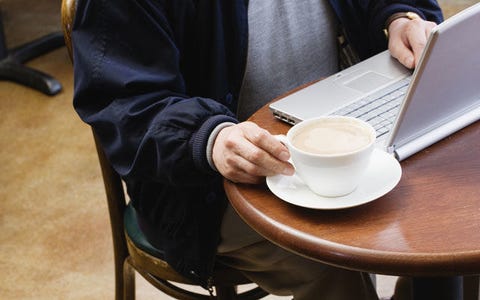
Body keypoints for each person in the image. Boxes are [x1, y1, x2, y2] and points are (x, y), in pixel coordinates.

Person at [71, 1, 443, 299]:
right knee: (328, 259)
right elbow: (124, 104)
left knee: (453, 209)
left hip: (349, 130)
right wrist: (208, 138)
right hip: (204, 183)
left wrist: (401, 16)